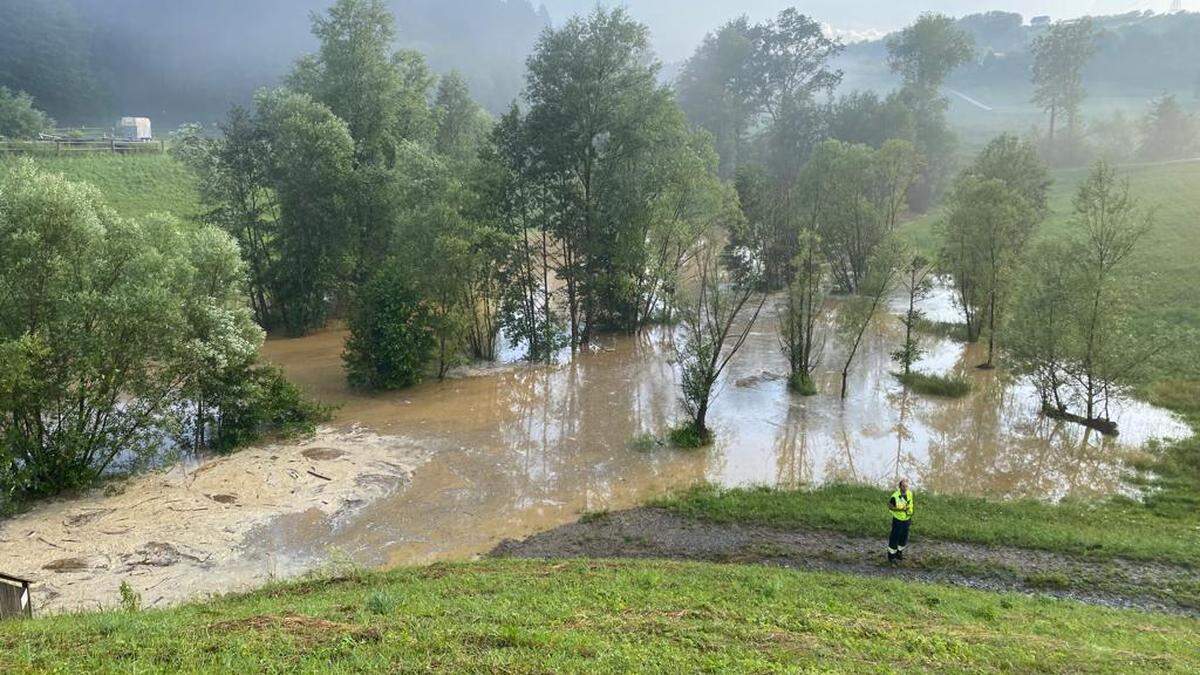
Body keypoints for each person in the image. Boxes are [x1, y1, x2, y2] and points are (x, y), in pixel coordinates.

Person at [887, 478, 914, 562]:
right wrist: (901, 509)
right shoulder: (895, 496)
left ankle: (899, 553)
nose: (905, 488)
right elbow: (890, 507)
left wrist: (909, 515)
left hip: (907, 519)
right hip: (898, 520)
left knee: (904, 537)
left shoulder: (909, 493)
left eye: (906, 486)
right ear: (900, 487)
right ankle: (891, 556)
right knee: (895, 537)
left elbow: (910, 504)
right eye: (903, 486)